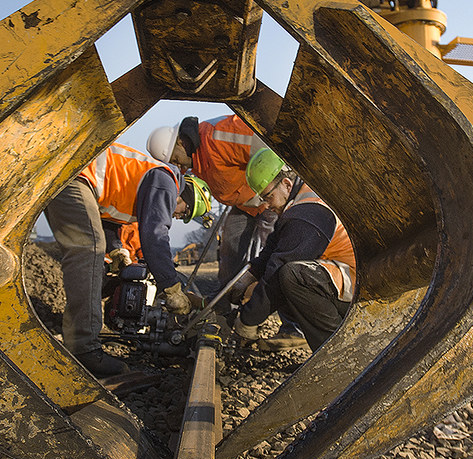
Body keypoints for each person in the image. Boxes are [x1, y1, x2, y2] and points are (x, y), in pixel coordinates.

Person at [45, 143, 212, 376]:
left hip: (74, 173)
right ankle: (84, 349)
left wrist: (116, 250)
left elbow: (107, 219)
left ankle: (80, 335)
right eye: (184, 212)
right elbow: (155, 235)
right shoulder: (165, 182)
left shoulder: (149, 186)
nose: (178, 216)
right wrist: (171, 287)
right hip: (76, 173)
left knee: (94, 254)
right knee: (89, 250)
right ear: (182, 196)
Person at [147, 115, 307, 350]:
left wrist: (280, 192)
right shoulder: (196, 161)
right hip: (245, 206)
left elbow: (266, 148)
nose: (179, 167)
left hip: (271, 199)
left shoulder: (217, 135)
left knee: (276, 260)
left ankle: (293, 327)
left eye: (176, 160)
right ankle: (224, 312)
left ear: (181, 143)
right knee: (230, 254)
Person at [229, 148, 356, 352]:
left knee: (291, 276)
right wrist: (248, 277)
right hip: (338, 280)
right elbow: (272, 252)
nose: (266, 205)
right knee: (288, 277)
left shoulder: (306, 214)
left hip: (354, 288)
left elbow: (277, 273)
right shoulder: (298, 204)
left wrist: (248, 320)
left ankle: (336, 351)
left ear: (287, 184)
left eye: (268, 197)